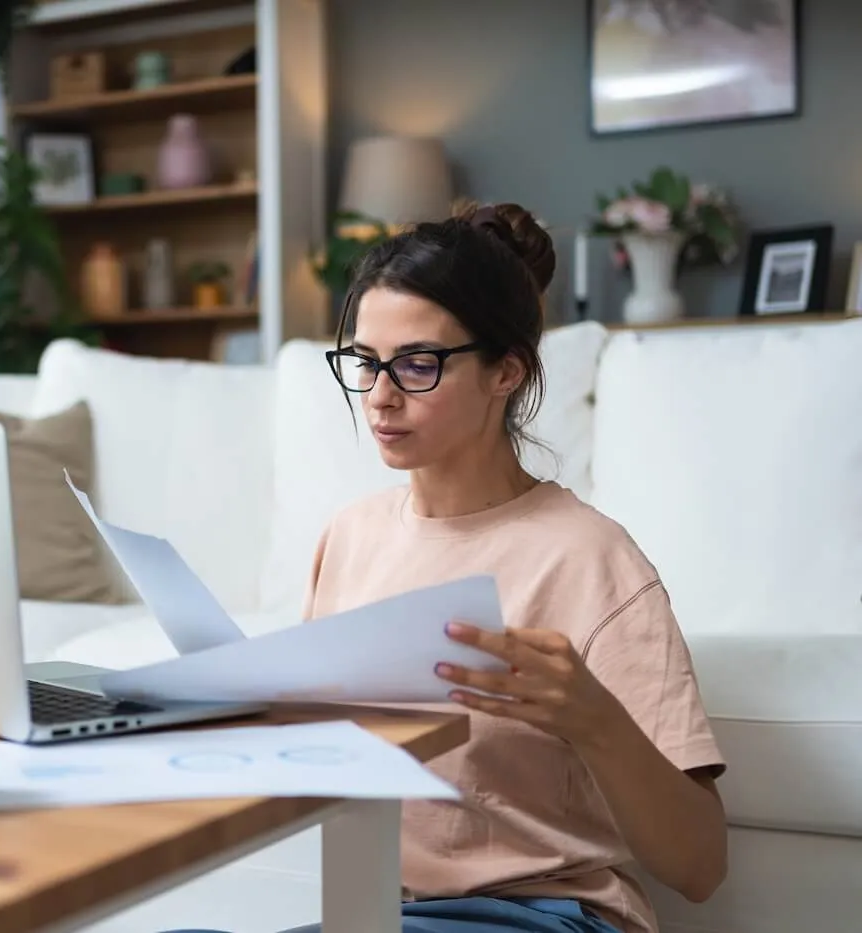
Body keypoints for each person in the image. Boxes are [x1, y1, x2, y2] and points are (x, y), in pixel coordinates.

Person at [165, 202, 727, 933]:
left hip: (545, 915)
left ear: (508, 371)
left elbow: (699, 866)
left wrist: (593, 719)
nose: (379, 395)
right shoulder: (351, 536)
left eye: (417, 364)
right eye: (364, 362)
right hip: (383, 913)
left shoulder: (592, 558)